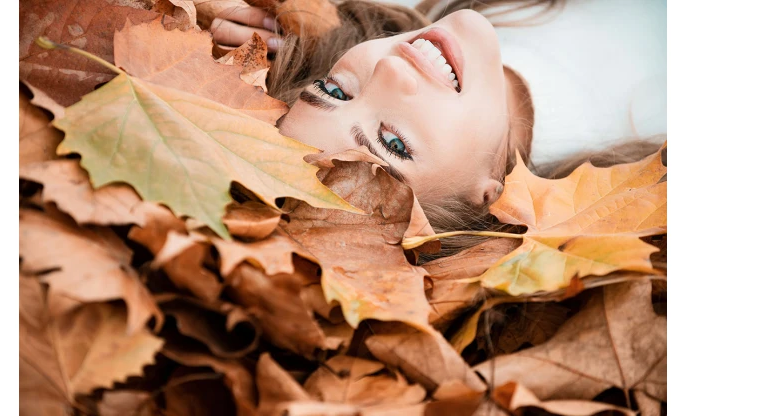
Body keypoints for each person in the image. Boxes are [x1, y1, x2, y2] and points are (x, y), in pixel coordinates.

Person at [208, 0, 666, 255]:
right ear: (488, 195)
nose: (392, 71)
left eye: (336, 91)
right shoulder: (652, 154)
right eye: (394, 144)